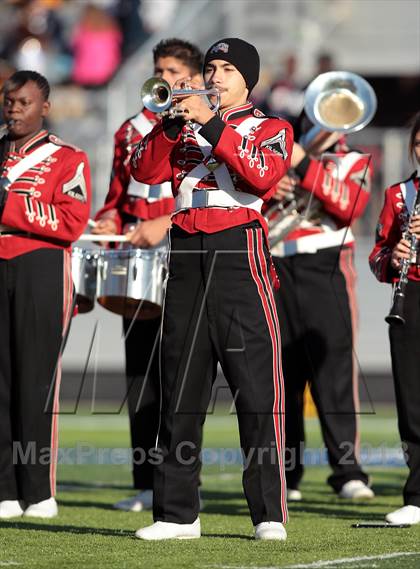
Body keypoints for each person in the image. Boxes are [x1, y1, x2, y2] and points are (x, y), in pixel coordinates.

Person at [131, 37, 293, 541]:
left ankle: (268, 513)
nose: (215, 75)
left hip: (239, 249)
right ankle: (177, 515)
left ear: (249, 79)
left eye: (226, 68)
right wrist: (170, 122)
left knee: (256, 388)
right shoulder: (183, 123)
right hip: (184, 251)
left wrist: (209, 121)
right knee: (180, 386)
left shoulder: (272, 127)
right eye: (210, 67)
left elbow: (261, 174)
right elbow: (143, 170)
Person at [91, 38, 203, 512]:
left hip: (184, 253)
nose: (163, 77)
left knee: (181, 375)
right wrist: (109, 223)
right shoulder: (130, 130)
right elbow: (116, 196)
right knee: (141, 377)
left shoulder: (202, 123)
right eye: (159, 69)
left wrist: (165, 223)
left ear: (194, 78)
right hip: (137, 263)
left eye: (173, 70)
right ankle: (144, 482)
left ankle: (180, 483)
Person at [0, 70, 91, 519]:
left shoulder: (67, 159)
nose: (14, 109)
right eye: (9, 101)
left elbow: (71, 221)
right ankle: (4, 490)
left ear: (45, 108)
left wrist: (9, 205)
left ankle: (38, 490)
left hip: (41, 267)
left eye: (24, 102)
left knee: (35, 380)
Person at [269, 113, 374, 502]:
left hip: (325, 262)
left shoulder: (354, 159)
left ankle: (347, 470)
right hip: (277, 260)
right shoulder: (275, 156)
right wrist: (272, 185)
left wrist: (302, 162)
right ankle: (288, 472)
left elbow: (349, 206)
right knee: (282, 374)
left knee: (334, 370)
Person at [369, 111, 420, 525]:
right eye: (419, 142)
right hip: (411, 297)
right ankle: (418, 496)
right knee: (412, 399)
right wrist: (394, 256)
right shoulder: (399, 194)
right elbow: (376, 254)